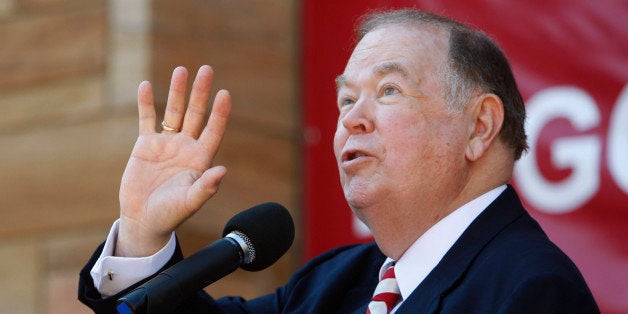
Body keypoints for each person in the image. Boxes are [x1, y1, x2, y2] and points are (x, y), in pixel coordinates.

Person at [79, 9, 599, 313]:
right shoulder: (332, 284)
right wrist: (143, 234)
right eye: (346, 100)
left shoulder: (531, 291)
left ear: (479, 126)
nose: (353, 119)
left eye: (388, 90)